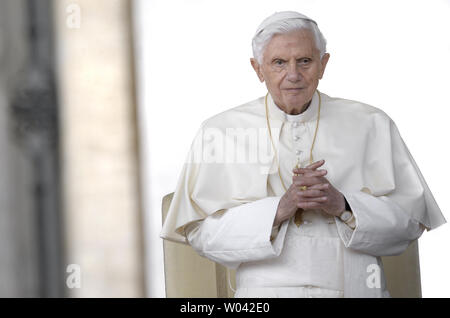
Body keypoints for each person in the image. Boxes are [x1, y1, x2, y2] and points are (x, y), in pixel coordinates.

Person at [160, 11, 446, 298]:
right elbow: (199, 235)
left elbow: (411, 225)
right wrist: (278, 210)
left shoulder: (372, 123)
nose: (293, 75)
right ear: (258, 69)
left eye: (305, 61)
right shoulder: (219, 131)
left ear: (323, 64)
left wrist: (345, 206)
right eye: (279, 63)